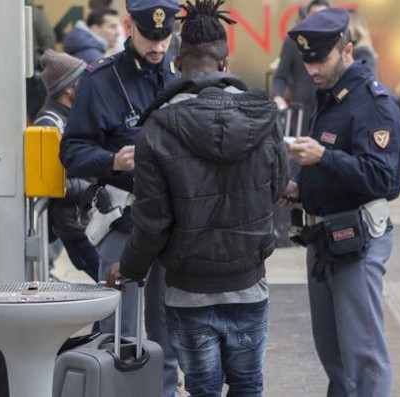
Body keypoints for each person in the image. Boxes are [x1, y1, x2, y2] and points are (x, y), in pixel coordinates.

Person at [106, 1, 287, 395]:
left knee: (202, 389)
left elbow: (152, 221)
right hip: (249, 284)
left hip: (189, 293)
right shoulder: (264, 117)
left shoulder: (157, 127)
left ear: (176, 61)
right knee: (249, 385)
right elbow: (277, 188)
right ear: (226, 62)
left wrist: (131, 268)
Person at [277, 8, 400, 396]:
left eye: (321, 59)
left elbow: (383, 178)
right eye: (307, 60)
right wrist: (301, 186)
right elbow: (332, 163)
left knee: (363, 356)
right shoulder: (330, 97)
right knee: (332, 354)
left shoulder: (372, 102)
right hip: (323, 237)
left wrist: (323, 157)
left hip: (358, 241)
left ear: (347, 50)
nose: (312, 69)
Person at [59, 0, 182, 395]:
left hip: (173, 227)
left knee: (170, 335)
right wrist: (112, 159)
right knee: (117, 334)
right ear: (130, 26)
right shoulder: (101, 80)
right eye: (150, 36)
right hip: (123, 225)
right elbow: (72, 151)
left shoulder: (181, 76)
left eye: (166, 37)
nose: (159, 46)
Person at [31, 50, 102, 281]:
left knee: (114, 289)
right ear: (68, 89)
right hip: (76, 226)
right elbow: (51, 183)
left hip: (87, 219)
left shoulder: (73, 117)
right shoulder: (49, 124)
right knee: (114, 286)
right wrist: (92, 184)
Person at [271, 0, 330, 132]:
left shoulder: (336, 43)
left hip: (328, 112)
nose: (319, 20)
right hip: (300, 114)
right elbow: (280, 76)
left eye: (323, 15)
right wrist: (277, 96)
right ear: (307, 17)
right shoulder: (293, 41)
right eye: (314, 15)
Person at [347, 8, 377, 79]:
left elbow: (365, 79)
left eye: (349, 24)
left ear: (357, 28)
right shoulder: (352, 50)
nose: (345, 28)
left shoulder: (363, 51)